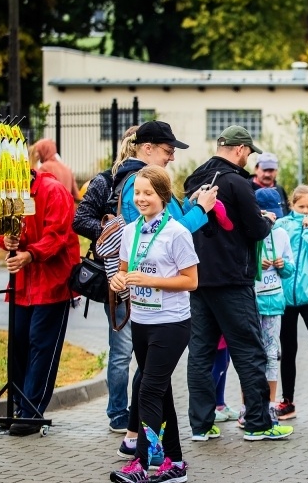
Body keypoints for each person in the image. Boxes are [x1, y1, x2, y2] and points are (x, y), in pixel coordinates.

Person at [73, 122, 217, 441]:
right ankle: (132, 432)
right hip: (148, 302)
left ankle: (147, 441)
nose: (172, 158)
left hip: (148, 297)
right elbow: (165, 231)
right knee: (146, 375)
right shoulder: (137, 182)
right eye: (168, 151)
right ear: (147, 148)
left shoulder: (139, 179)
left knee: (151, 377)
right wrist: (201, 210)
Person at [183, 124, 293, 441]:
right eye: (248, 152)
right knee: (249, 350)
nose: (248, 158)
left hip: (199, 278)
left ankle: (201, 425)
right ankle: (258, 423)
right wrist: (267, 220)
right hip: (232, 279)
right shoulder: (238, 183)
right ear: (241, 149)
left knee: (200, 353)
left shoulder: (194, 178)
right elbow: (255, 230)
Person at [109, 165, 200, 483]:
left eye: (148, 193)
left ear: (162, 196)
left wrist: (151, 280)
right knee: (159, 392)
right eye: (137, 193)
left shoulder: (177, 233)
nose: (142, 198)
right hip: (141, 323)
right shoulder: (131, 231)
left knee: (147, 390)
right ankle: (174, 464)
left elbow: (191, 281)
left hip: (172, 324)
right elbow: (122, 271)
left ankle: (141, 465)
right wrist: (118, 280)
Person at [0, 166, 81, 436]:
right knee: (18, 341)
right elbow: (0, 231)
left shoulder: (53, 190)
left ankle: (32, 411)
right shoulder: (7, 193)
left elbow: (57, 236)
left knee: (40, 344)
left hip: (52, 282)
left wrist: (30, 254)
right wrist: (6, 239)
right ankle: (20, 404)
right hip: (22, 283)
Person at [273, 185, 308, 420]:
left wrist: (307, 233)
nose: (305, 212)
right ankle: (288, 401)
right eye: (300, 207)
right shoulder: (282, 225)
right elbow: (277, 250)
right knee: (288, 349)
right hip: (286, 297)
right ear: (292, 205)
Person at [254, 187, 295, 422]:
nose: (271, 219)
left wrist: (282, 265)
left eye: (274, 215)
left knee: (271, 354)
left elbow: (290, 269)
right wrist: (259, 264)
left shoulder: (281, 235)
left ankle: (269, 404)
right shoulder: (250, 233)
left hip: (275, 302)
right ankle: (248, 404)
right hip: (252, 303)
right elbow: (243, 268)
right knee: (251, 355)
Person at [249, 152, 289, 216]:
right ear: (256, 169)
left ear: (276, 171)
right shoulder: (246, 188)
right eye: (264, 170)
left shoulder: (280, 190)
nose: (267, 174)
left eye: (271, 170)